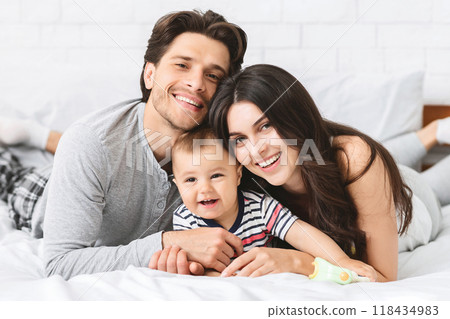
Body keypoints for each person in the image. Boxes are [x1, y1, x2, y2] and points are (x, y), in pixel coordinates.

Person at [0, 9, 248, 280]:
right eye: (182, 65)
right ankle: (32, 136)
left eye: (213, 75)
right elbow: (60, 264)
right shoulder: (89, 141)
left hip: (94, 157)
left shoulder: (228, 147)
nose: (196, 83)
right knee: (11, 174)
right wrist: (168, 242)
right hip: (39, 195)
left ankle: (39, 137)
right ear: (149, 74)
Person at [208, 64, 417, 282]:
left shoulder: (353, 157)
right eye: (239, 139)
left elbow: (381, 278)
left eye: (266, 126)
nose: (256, 150)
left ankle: (434, 133)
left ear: (294, 116)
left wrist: (296, 262)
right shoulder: (242, 184)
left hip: (414, 205)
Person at [160, 125, 377, 280]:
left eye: (216, 176)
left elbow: (301, 233)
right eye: (190, 180)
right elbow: (197, 268)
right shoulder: (185, 219)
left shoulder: (260, 207)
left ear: (237, 175)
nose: (204, 189)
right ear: (177, 184)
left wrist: (341, 260)